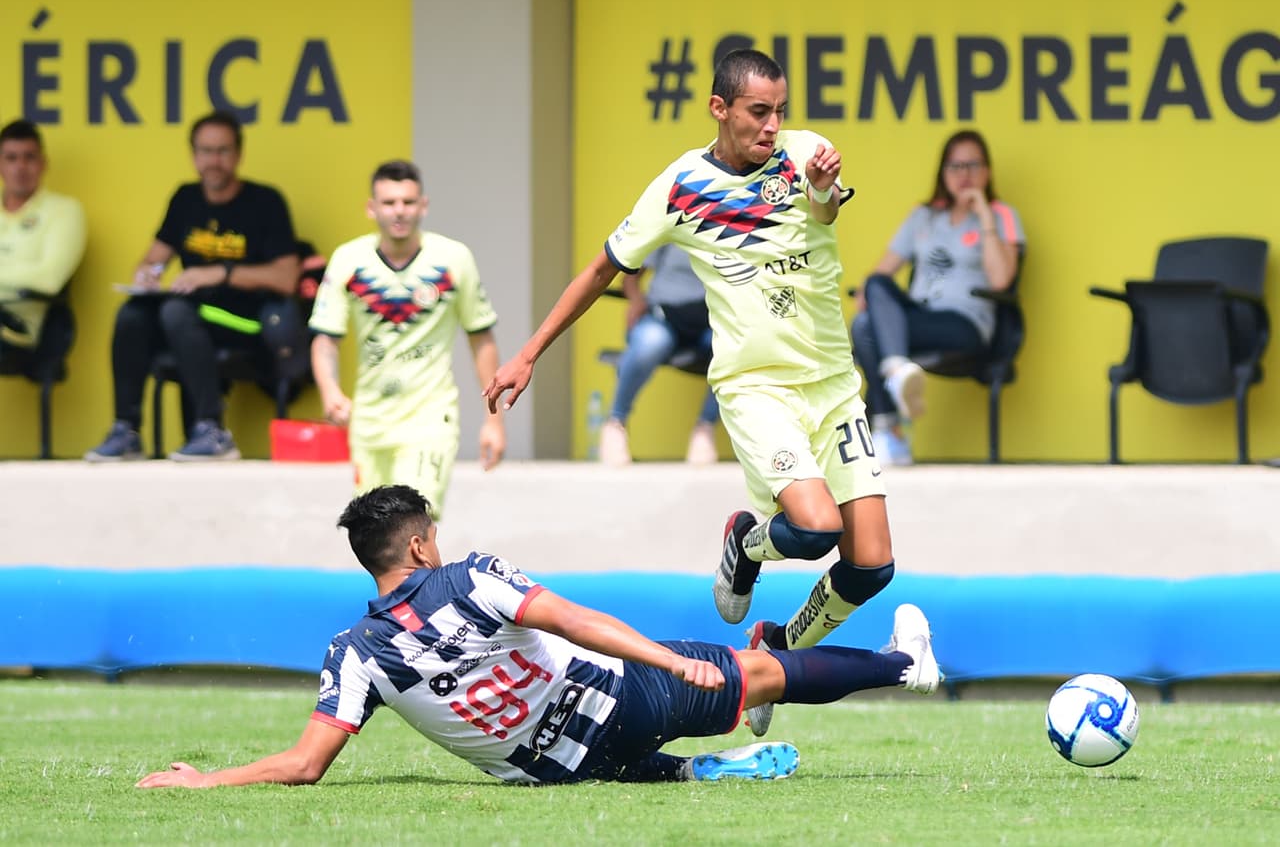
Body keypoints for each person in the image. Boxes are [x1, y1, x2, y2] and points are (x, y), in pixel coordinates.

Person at [484, 49, 921, 739]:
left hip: (833, 387)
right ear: (720, 108)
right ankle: (747, 543)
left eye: (781, 109)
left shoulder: (806, 154)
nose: (773, 125)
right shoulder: (679, 188)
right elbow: (602, 269)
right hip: (756, 388)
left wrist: (824, 191)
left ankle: (778, 648)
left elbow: (826, 214)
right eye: (758, 112)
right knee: (813, 530)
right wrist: (529, 351)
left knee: (871, 567)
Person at [135, 484, 939, 789]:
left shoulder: (354, 651)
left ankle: (694, 769)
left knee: (603, 750)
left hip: (551, 773)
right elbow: (579, 620)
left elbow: (306, 764)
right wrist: (666, 661)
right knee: (760, 670)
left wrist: (207, 779)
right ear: (419, 545)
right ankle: (908, 666)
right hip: (624, 701)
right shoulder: (470, 575)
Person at [85, 110, 301, 462]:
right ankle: (126, 429)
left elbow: (287, 277)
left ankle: (212, 431)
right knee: (133, 314)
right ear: (193, 155)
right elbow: (153, 258)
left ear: (238, 154)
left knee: (175, 310)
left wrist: (221, 273)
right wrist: (148, 274)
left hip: (245, 320)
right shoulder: (186, 198)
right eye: (205, 151)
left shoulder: (265, 202)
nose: (213, 161)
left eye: (222, 151)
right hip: (189, 317)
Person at [308, 160, 505, 520]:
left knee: (412, 523)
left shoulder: (454, 259)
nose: (399, 211)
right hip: (369, 422)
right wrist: (329, 391)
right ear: (372, 208)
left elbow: (481, 338)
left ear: (423, 206)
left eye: (408, 202)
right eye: (389, 202)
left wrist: (493, 421)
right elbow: (325, 340)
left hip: (430, 417)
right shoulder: (348, 260)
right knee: (373, 535)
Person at [851, 130, 1025, 466]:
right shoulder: (924, 216)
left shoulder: (1002, 214)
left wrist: (985, 215)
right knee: (872, 296)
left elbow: (1003, 279)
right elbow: (880, 274)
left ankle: (890, 431)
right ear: (943, 172)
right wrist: (870, 296)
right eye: (955, 166)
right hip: (919, 317)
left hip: (965, 324)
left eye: (973, 165)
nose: (964, 175)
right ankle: (898, 373)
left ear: (987, 171)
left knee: (865, 328)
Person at [598, 242, 720, 466]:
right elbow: (630, 278)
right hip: (664, 316)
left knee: (737, 350)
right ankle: (615, 422)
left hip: (713, 321)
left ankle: (705, 427)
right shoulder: (672, 218)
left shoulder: (738, 223)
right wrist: (636, 301)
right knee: (650, 343)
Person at [0, 119, 86, 355]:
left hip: (17, 328)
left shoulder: (65, 210)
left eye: (29, 157)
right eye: (11, 158)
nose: (20, 167)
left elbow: (50, 279)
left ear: (43, 163)